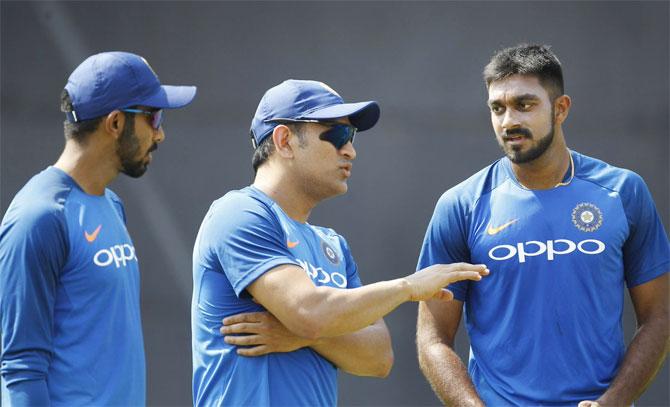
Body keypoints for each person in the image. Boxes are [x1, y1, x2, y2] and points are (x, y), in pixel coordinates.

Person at [191, 79, 489, 406]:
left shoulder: (331, 244)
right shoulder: (241, 212)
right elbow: (308, 312)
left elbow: (378, 356)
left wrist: (298, 336)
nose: (350, 150)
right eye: (337, 135)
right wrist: (408, 287)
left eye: (352, 137)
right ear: (284, 140)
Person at [416, 44, 669, 406]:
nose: (509, 121)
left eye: (525, 104)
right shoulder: (460, 205)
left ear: (561, 108)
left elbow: (659, 316)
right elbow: (433, 338)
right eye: (497, 108)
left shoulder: (622, 192)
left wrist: (613, 402)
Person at [0, 51, 196, 406]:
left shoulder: (111, 205)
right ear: (116, 123)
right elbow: (20, 368)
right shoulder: (38, 216)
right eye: (153, 117)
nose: (161, 133)